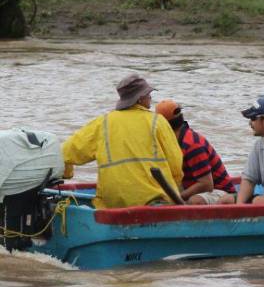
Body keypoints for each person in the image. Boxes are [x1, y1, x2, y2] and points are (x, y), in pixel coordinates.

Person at [61, 74, 183, 208]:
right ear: (140, 99)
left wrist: (67, 174)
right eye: (148, 94)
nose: (150, 97)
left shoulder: (102, 123)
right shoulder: (157, 121)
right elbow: (175, 163)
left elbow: (65, 153)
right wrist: (175, 187)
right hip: (153, 200)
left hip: (112, 202)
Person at [155, 99, 236, 205]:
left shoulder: (192, 144)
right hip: (192, 188)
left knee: (195, 201)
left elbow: (206, 185)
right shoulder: (172, 142)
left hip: (220, 191)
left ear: (163, 126)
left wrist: (177, 197)